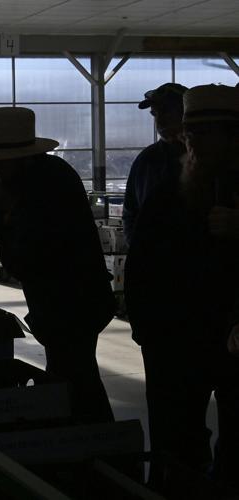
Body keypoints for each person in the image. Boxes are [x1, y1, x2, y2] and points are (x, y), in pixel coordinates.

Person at [0, 107, 115, 423]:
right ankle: (92, 443)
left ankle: (98, 445)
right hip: (64, 299)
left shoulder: (45, 184)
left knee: (74, 377)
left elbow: (33, 243)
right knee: (72, 372)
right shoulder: (39, 175)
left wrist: (1, 202)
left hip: (71, 301)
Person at [125, 84, 239, 495]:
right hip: (174, 338)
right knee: (175, 439)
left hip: (227, 338)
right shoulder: (164, 183)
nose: (193, 142)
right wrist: (145, 326)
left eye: (205, 134)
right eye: (191, 134)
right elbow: (140, 255)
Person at [123, 83, 188, 244]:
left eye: (166, 111)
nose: (159, 120)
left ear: (185, 112)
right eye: (154, 114)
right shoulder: (146, 160)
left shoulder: (206, 155)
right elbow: (131, 212)